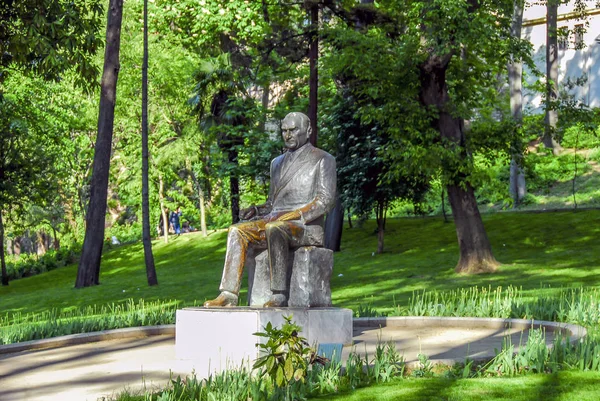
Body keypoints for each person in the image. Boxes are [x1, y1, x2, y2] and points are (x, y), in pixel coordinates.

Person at [204, 112, 336, 308]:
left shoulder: (323, 159)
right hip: (276, 219)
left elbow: (326, 200)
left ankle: (279, 294)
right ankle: (229, 294)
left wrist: (299, 214)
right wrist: (256, 210)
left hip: (306, 227)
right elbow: (273, 203)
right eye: (284, 131)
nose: (288, 135)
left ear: (308, 131)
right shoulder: (276, 163)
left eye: (293, 130)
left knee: (275, 228)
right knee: (237, 231)